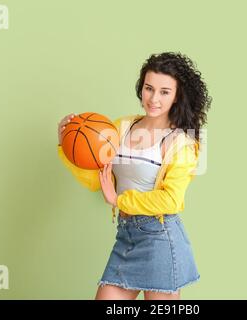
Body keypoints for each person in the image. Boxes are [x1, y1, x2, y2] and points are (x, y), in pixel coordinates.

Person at [57, 52, 211, 300]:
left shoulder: (181, 143)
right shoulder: (121, 127)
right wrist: (65, 144)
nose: (153, 98)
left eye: (164, 91)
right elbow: (98, 180)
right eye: (149, 88)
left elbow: (170, 200)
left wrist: (119, 201)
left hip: (161, 241)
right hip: (126, 235)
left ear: (177, 96)